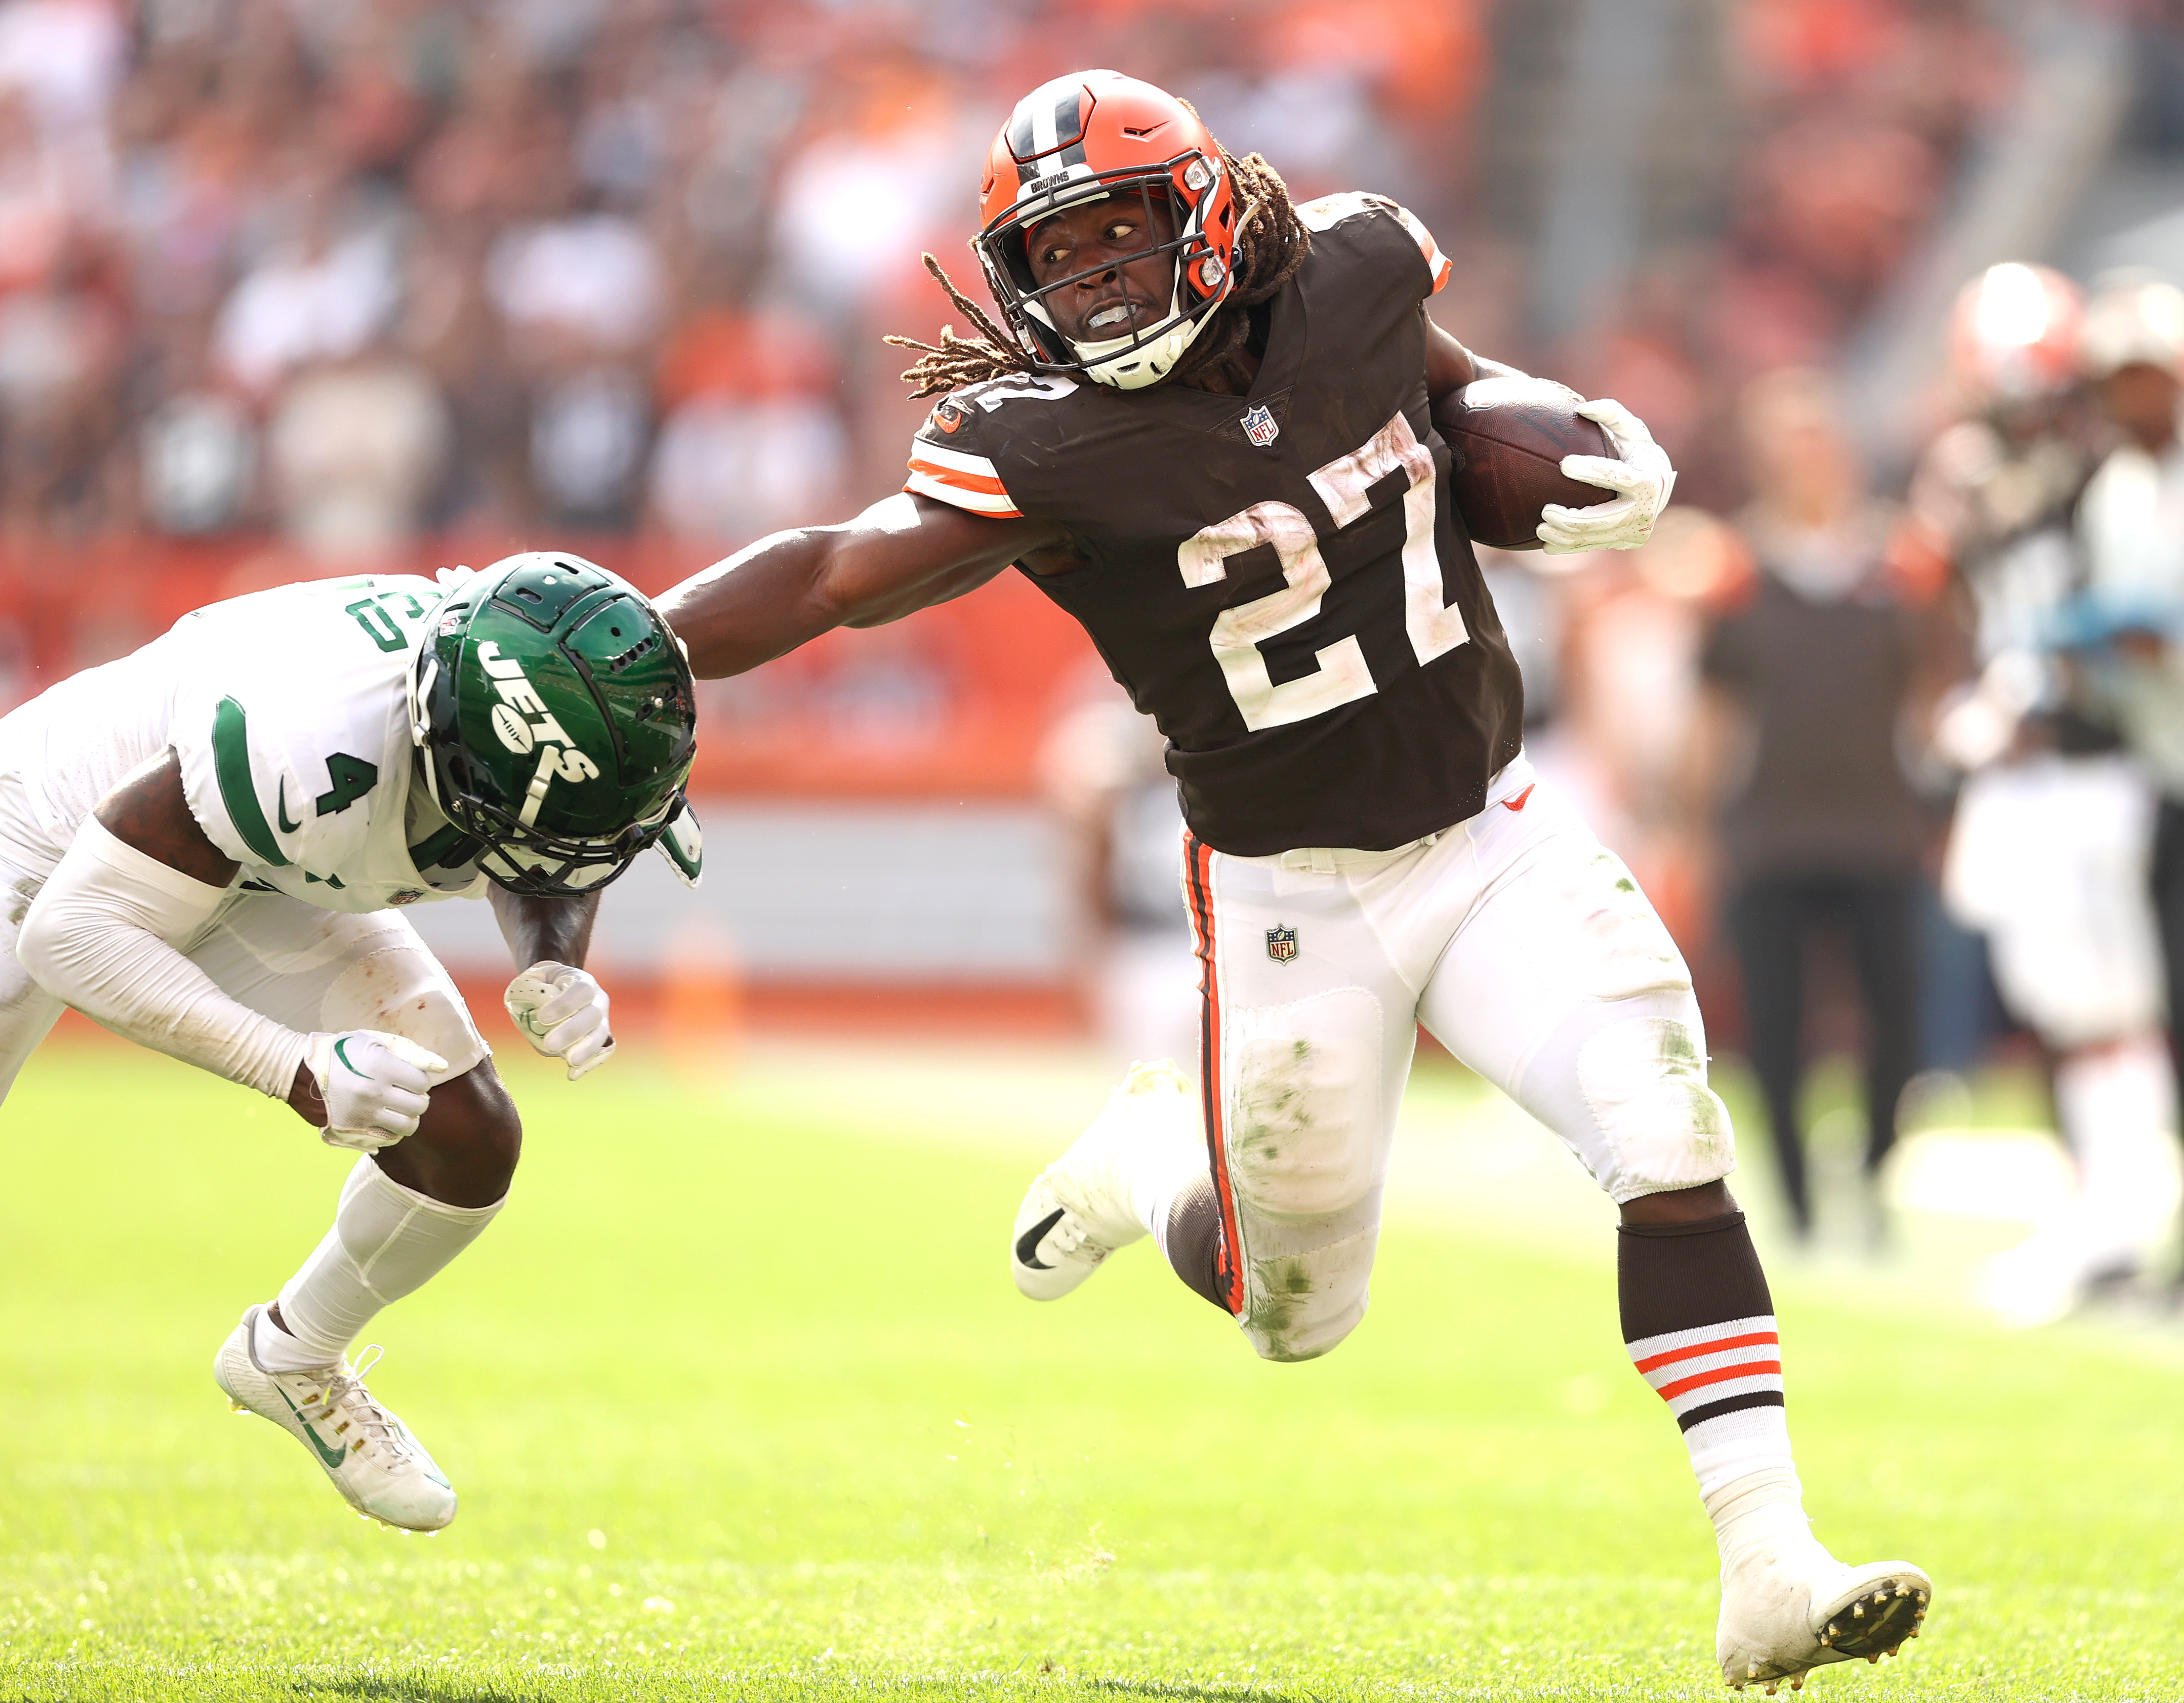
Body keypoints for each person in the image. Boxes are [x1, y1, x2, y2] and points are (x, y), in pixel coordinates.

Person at [659, 72, 1929, 1690]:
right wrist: (632, 633)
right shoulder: (1040, 444)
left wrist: (1572, 444)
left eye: (1118, 230)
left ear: (1198, 209)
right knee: (1291, 1310)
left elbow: (1457, 403)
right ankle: (1144, 1161)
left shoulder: (1350, 271)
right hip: (1286, 892)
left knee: (1664, 1126)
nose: (1094, 277)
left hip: (1487, 834)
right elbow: (837, 571)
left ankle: (1767, 1561)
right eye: (1054, 256)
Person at [0, 554, 699, 1531]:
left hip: (253, 865)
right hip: (47, 838)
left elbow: (564, 839)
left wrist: (552, 960)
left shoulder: (531, 701)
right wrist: (293, 1070)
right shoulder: (304, 736)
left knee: (463, 1134)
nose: (572, 859)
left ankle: (292, 1356)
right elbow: (69, 934)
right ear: (452, 752)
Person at [1917, 263, 2180, 1326]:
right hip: (2024, 778)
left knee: (2120, 1002)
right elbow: (1963, 616)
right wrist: (1970, 701)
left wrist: (2026, 688)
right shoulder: (1974, 476)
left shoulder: (2098, 472)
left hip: (2100, 762)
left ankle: (2129, 1215)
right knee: (2059, 1005)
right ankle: (2104, 1213)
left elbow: (2116, 617)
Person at [1697, 369, 1946, 1246]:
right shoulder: (1735, 570)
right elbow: (1716, 712)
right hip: (1773, 829)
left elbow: (1928, 688)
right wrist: (1696, 822)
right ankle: (1797, 1198)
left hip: (1877, 823)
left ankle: (1876, 1161)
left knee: (1899, 1018)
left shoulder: (1899, 563)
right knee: (1774, 1023)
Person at [2072, 274, 2184, 1311]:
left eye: (2148, 376)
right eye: (2117, 380)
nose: (2134, 398)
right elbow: (2126, 658)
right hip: (2173, 785)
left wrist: (2172, 650)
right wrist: (2096, 663)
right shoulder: (2115, 492)